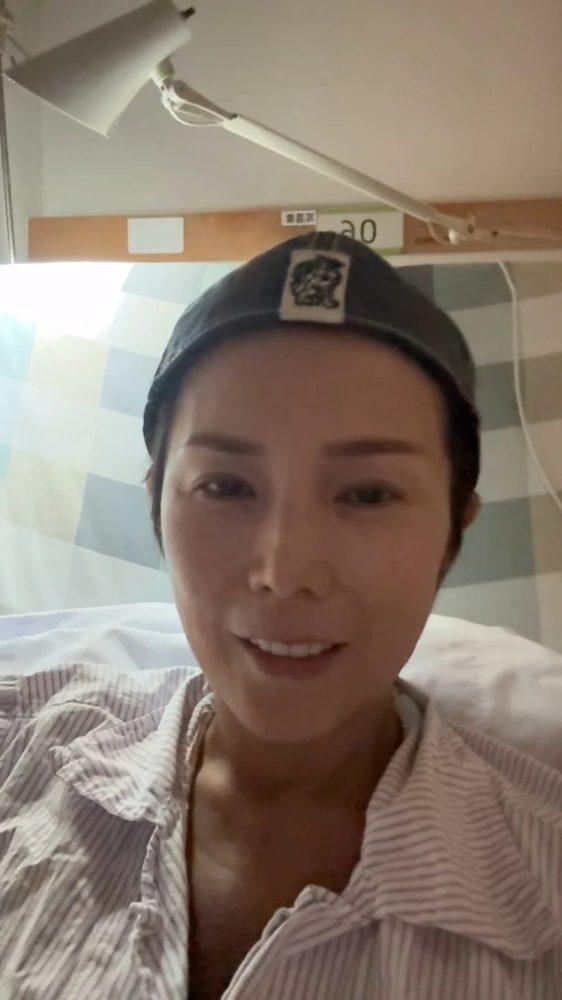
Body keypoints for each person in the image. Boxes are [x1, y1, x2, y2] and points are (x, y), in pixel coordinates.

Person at [1, 232, 561, 1000]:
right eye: (226, 487)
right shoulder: (21, 755)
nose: (284, 572)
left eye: (368, 494)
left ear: (454, 533)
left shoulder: (542, 887)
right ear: (157, 506)